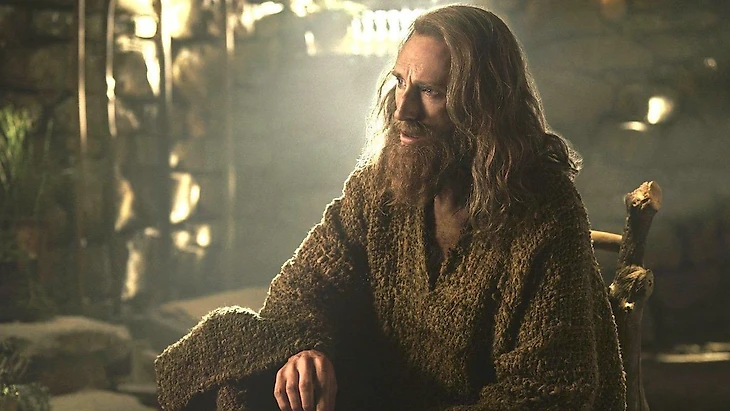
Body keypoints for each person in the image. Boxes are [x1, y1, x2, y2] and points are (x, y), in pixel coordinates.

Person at [155, 5, 627, 411]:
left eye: (431, 91)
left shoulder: (543, 211)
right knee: (232, 351)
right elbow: (301, 288)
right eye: (401, 82)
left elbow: (550, 389)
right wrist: (304, 351)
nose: (403, 109)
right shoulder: (383, 184)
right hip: (382, 392)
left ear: (483, 105)